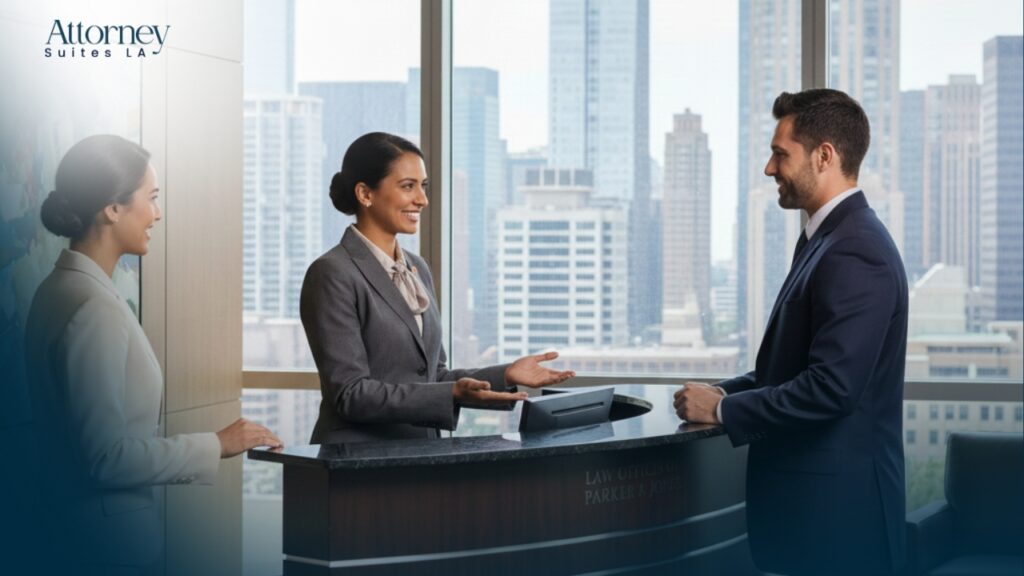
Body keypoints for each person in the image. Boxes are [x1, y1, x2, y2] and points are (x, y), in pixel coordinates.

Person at [24, 135, 282, 575]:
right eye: (152, 198)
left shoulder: (55, 290)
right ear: (112, 208)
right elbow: (104, 458)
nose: (157, 214)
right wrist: (216, 444)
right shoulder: (93, 308)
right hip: (108, 547)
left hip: (72, 533)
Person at [674, 89, 907, 576]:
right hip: (817, 518)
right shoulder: (827, 240)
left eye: (781, 154)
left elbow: (831, 389)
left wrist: (720, 409)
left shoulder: (853, 249)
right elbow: (789, 369)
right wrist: (724, 390)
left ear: (825, 156)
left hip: (837, 523)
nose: (769, 168)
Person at [301, 132, 575, 443]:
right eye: (408, 186)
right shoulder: (332, 273)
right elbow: (350, 393)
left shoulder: (417, 268)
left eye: (423, 186)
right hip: (356, 461)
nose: (422, 199)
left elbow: (435, 376)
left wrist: (506, 374)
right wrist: (451, 393)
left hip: (422, 453)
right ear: (365, 193)